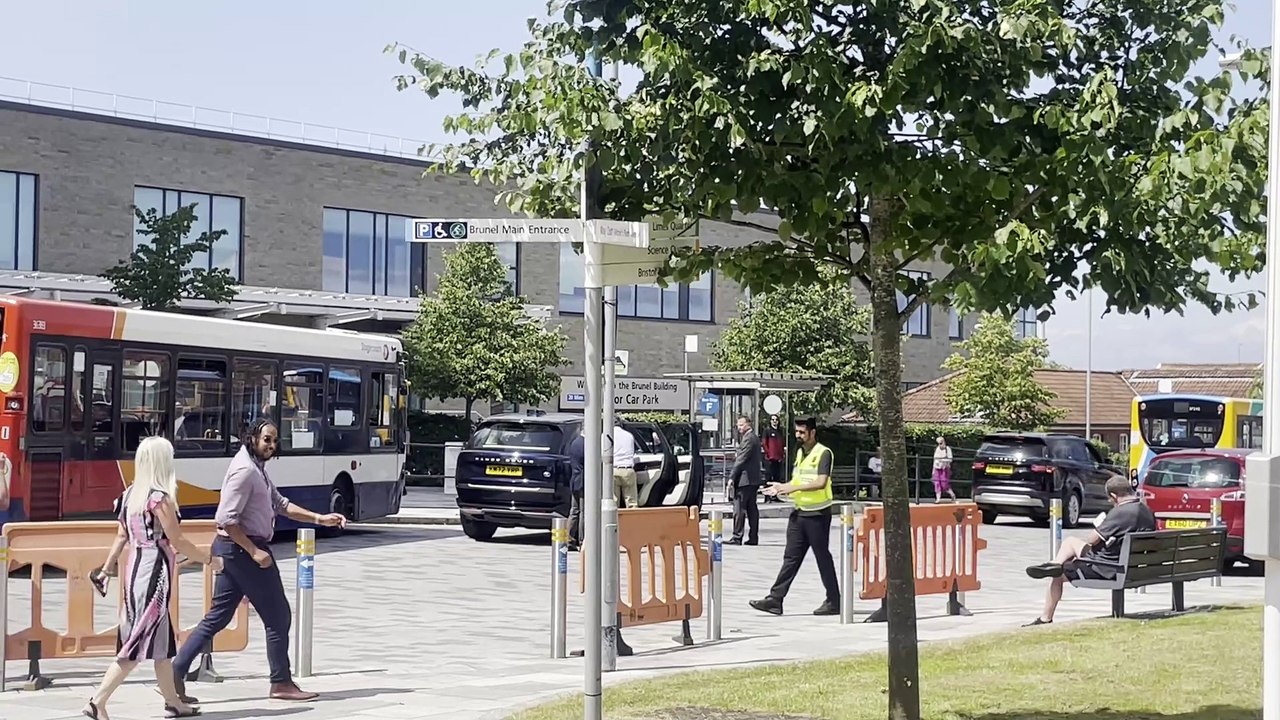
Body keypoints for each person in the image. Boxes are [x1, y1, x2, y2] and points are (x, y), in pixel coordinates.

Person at [171, 419, 347, 703]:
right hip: (242, 552)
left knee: (218, 617)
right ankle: (281, 682)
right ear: (252, 438)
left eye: (275, 440)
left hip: (233, 551)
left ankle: (176, 671)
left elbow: (281, 504)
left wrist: (319, 519)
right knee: (278, 616)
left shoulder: (256, 469)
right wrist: (254, 551)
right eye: (267, 439)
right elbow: (226, 519)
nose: (272, 446)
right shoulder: (244, 471)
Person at [83, 437, 220, 720]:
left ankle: (173, 703)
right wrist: (209, 559)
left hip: (134, 572)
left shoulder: (130, 495)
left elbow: (121, 536)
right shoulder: (159, 498)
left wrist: (107, 569)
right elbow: (178, 540)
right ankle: (98, 701)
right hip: (155, 575)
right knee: (137, 643)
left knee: (161, 645)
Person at [1022, 474, 1156, 626]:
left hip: (1107, 567)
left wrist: (1100, 525)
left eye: (1110, 499)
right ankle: (1055, 563)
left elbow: (1092, 540)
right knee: (1070, 542)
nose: (1110, 502)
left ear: (1114, 495)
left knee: (1058, 575)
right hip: (1132, 566)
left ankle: (1045, 617)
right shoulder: (1146, 511)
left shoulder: (1121, 513)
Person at [749, 418, 841, 616]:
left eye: (802, 432)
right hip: (799, 512)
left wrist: (791, 487)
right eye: (797, 432)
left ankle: (834, 601)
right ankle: (775, 599)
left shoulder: (823, 453)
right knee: (791, 557)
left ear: (812, 432)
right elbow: (798, 480)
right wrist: (780, 488)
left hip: (817, 514)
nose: (798, 436)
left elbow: (821, 482)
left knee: (822, 557)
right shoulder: (800, 452)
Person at [728, 415, 762, 545]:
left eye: (741, 425)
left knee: (739, 509)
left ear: (749, 424)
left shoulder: (749, 439)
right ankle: (753, 537)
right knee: (752, 508)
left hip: (745, 479)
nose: (739, 427)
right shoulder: (752, 438)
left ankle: (737, 537)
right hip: (752, 479)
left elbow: (741, 459)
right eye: (738, 425)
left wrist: (732, 477)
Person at [611, 424, 638, 509]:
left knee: (613, 501)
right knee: (631, 501)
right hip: (628, 469)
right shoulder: (629, 435)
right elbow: (632, 451)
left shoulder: (606, 435)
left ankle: (613, 521)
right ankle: (633, 520)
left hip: (613, 469)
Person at [566, 433, 585, 550]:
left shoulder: (575, 442)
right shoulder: (586, 444)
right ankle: (583, 540)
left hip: (575, 480)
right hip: (584, 482)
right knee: (584, 512)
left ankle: (569, 539)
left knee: (574, 511)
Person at [761, 415, 785, 503]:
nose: (774, 421)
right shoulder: (767, 431)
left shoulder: (780, 431)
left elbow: (782, 444)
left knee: (776, 478)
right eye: (773, 420)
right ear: (770, 421)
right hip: (770, 458)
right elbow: (764, 443)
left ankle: (774, 496)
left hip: (778, 458)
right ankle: (767, 497)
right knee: (768, 478)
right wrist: (768, 454)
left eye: (776, 420)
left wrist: (782, 455)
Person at [932, 436, 956, 503]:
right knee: (937, 483)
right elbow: (935, 459)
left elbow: (950, 459)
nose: (940, 445)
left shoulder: (947, 449)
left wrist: (943, 460)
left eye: (941, 443)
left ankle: (952, 495)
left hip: (944, 468)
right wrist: (933, 470)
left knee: (944, 484)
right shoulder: (937, 449)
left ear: (944, 442)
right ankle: (938, 499)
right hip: (937, 467)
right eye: (938, 443)